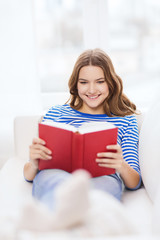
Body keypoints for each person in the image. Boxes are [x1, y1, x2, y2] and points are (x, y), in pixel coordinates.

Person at [23, 48, 141, 230]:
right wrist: (34, 162)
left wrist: (120, 164)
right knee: (52, 181)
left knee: (100, 189)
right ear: (75, 85)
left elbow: (134, 183)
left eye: (100, 82)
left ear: (110, 83)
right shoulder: (55, 113)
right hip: (56, 173)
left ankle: (63, 223)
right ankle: (68, 221)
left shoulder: (126, 120)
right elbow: (28, 175)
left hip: (103, 177)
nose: (92, 90)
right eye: (84, 82)